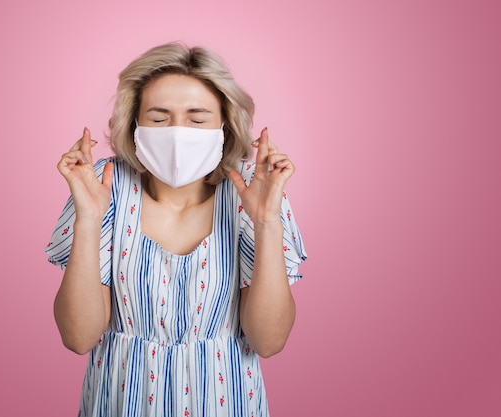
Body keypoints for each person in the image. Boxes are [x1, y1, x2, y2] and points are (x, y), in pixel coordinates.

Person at [45, 42, 307, 417]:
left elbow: (268, 341)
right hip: (120, 403)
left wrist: (266, 221)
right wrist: (88, 218)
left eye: (197, 119)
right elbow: (79, 337)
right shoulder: (103, 186)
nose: (177, 132)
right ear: (134, 125)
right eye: (159, 117)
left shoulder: (255, 191)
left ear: (225, 126)